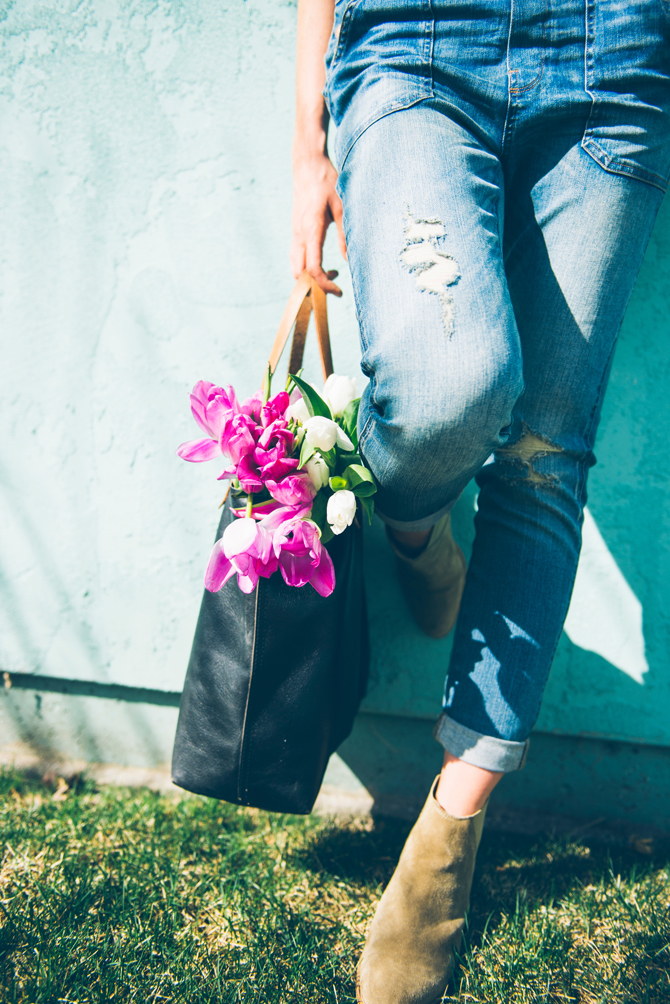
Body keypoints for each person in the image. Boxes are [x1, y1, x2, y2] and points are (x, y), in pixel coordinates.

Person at [291, 2, 670, 1001]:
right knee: (442, 390)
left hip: (614, 53)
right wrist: (305, 147)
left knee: (545, 454)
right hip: (416, 40)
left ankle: (450, 824)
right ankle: (416, 531)